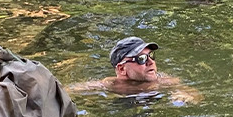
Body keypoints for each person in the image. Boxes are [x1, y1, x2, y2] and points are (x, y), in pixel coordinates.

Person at [66, 36, 202, 104]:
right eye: (141, 59)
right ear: (122, 69)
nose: (151, 62)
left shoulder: (164, 81)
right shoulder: (109, 86)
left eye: (151, 55)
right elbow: (69, 91)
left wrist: (187, 95)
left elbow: (196, 95)